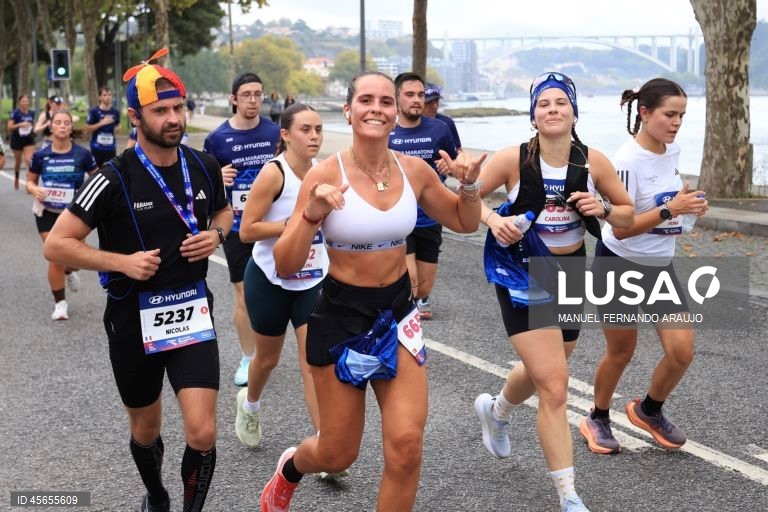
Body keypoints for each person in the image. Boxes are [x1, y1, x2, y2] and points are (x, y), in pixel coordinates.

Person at [259, 70, 486, 512]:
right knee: (337, 453)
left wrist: (470, 185)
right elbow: (287, 264)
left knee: (406, 446)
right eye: (366, 100)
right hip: (341, 317)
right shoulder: (325, 174)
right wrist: (311, 215)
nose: (376, 109)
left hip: (399, 315)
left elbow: (464, 221)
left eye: (386, 101)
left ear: (395, 112)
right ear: (349, 110)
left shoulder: (414, 170)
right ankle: (291, 467)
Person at [43, 49, 233, 512]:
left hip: (191, 312)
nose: (173, 119)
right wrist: (121, 262)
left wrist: (216, 234)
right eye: (160, 110)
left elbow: (225, 210)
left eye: (178, 108)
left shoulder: (203, 165)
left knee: (203, 431)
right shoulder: (111, 177)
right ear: (135, 116)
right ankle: (157, 494)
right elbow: (57, 244)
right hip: (132, 319)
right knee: (146, 431)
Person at [472, 72, 634, 512]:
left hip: (568, 269)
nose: (553, 109)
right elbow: (465, 200)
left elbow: (625, 213)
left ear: (574, 111)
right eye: (544, 104)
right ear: (533, 115)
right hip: (521, 272)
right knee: (556, 387)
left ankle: (497, 411)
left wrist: (603, 207)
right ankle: (569, 495)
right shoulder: (512, 159)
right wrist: (492, 220)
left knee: (550, 367)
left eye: (561, 102)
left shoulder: (593, 162)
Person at [580, 78, 708, 455]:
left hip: (659, 266)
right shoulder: (625, 162)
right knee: (621, 351)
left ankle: (649, 410)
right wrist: (672, 209)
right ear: (645, 113)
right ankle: (597, 417)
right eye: (670, 114)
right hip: (618, 264)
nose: (676, 122)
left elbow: (668, 202)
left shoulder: (672, 149)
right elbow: (621, 224)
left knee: (682, 351)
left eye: (682, 115)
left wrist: (686, 208)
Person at [235, 103, 324, 450]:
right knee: (267, 359)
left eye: (318, 129)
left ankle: (323, 443)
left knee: (312, 363)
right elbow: (246, 230)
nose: (314, 136)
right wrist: (294, 224)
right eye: (305, 129)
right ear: (286, 135)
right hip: (269, 280)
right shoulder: (275, 173)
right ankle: (250, 403)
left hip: (312, 279)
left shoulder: (326, 172)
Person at [203, 72, 281, 386]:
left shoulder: (276, 132)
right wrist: (216, 177)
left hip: (273, 223)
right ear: (234, 98)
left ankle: (269, 350)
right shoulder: (218, 138)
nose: (252, 100)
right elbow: (203, 185)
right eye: (246, 94)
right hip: (236, 226)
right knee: (244, 292)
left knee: (279, 289)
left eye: (257, 94)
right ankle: (249, 357)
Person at [388, 72, 458, 320]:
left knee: (424, 287)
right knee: (412, 279)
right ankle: (399, 321)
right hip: (398, 218)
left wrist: (451, 168)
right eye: (410, 95)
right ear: (397, 99)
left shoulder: (439, 129)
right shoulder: (387, 132)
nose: (416, 100)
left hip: (430, 217)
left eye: (420, 95)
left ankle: (415, 302)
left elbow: (454, 162)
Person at [27, 109, 98, 319]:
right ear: (51, 126)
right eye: (58, 122)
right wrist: (33, 189)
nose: (62, 126)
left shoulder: (83, 154)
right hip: (46, 212)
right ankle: (60, 304)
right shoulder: (40, 155)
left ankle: (70, 270)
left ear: (70, 127)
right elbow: (30, 181)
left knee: (74, 260)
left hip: (73, 216)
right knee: (55, 256)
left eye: (66, 122)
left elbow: (98, 180)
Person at [83, 86, 121, 167]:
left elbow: (118, 125)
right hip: (97, 148)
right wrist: (102, 123)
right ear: (100, 97)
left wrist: (118, 128)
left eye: (110, 95)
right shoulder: (94, 111)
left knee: (111, 172)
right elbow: (87, 128)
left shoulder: (115, 112)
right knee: (96, 173)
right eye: (105, 95)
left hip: (111, 148)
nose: (108, 97)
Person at [7, 94, 36, 190]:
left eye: (27, 101)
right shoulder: (15, 113)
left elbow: (33, 124)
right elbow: (9, 127)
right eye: (23, 101)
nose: (25, 103)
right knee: (18, 162)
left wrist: (31, 128)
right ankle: (16, 177)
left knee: (29, 160)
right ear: (19, 102)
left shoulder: (32, 113)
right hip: (17, 139)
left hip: (29, 139)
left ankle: (29, 183)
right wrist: (20, 124)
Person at [423, 83, 462, 153]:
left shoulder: (447, 123)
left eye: (436, 101)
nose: (434, 106)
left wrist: (451, 160)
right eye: (429, 102)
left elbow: (459, 150)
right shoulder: (404, 124)